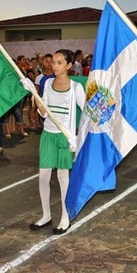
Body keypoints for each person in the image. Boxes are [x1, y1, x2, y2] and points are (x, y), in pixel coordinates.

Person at [22, 49, 85, 234]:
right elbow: (43, 112)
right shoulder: (48, 83)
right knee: (43, 177)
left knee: (63, 177)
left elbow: (88, 112)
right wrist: (34, 93)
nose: (54, 66)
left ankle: (65, 217)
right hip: (48, 135)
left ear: (68, 65)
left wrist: (77, 137)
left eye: (59, 62)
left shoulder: (76, 88)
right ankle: (46, 215)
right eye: (53, 62)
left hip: (65, 137)